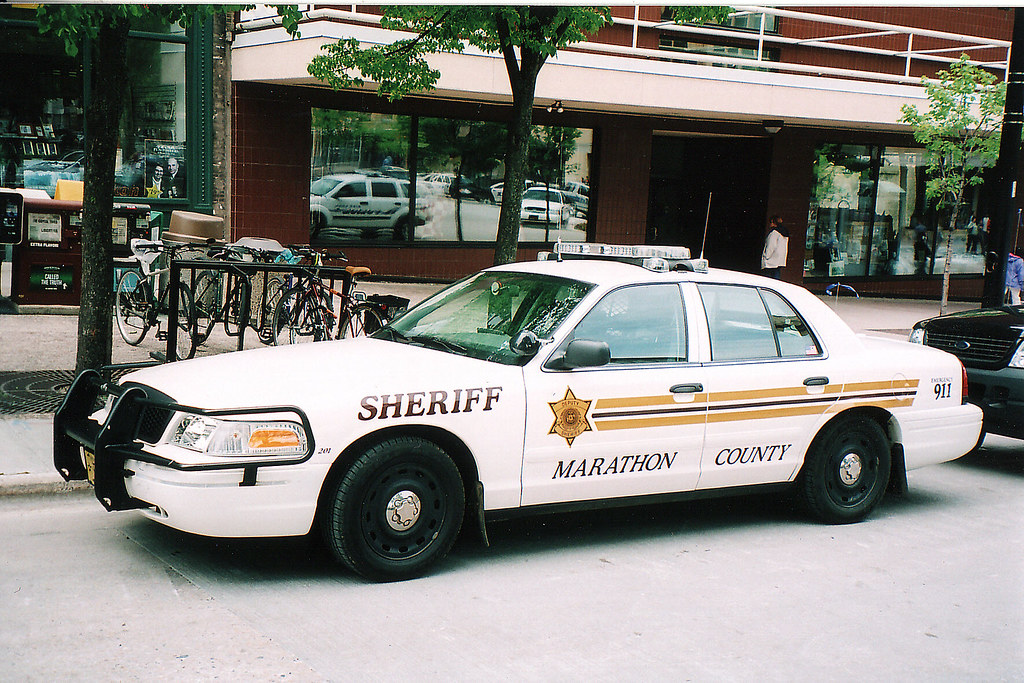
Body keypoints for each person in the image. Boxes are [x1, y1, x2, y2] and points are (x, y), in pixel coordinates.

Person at [760, 214, 788, 279]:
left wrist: (766, 257)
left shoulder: (774, 233)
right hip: (779, 261)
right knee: (776, 278)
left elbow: (770, 246)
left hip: (771, 261)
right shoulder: (784, 233)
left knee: (768, 280)